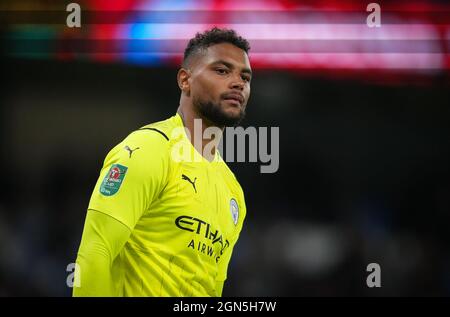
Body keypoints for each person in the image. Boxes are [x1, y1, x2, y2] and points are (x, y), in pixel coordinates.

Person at [73, 27, 252, 296]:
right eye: (222, 71)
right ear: (185, 80)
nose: (238, 82)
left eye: (245, 76)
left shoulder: (233, 192)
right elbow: (95, 252)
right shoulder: (147, 150)